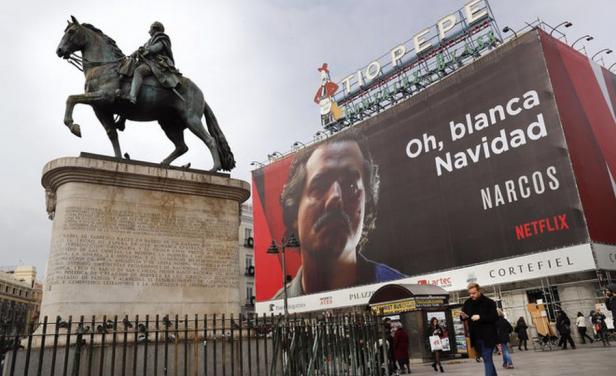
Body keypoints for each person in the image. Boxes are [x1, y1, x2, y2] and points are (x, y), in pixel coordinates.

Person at [273, 132, 406, 298]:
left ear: (366, 206)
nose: (336, 197)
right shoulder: (278, 306)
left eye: (350, 186)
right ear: (294, 212)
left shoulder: (401, 292)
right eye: (320, 186)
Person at [122, 21, 181, 104]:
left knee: (139, 71)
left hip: (156, 63)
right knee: (130, 68)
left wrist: (146, 51)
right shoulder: (149, 41)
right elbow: (141, 49)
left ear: (155, 28)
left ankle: (132, 97)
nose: (149, 31)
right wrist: (133, 54)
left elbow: (156, 48)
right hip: (147, 62)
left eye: (150, 28)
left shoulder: (162, 38)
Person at [461, 282, 498, 376]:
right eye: (470, 293)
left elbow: (494, 317)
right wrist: (463, 316)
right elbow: (463, 316)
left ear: (479, 291)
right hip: (476, 337)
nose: (471, 295)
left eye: (473, 293)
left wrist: (480, 317)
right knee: (487, 359)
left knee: (486, 357)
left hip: (488, 336)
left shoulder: (489, 302)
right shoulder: (468, 302)